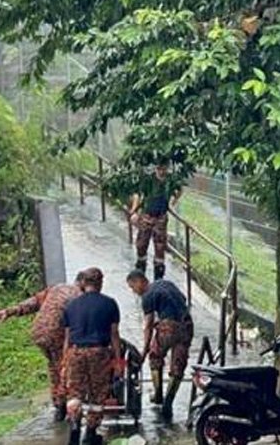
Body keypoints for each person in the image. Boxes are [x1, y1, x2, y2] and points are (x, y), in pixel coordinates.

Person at [0, 272, 84, 422]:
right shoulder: (79, 295)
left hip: (38, 332)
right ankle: (63, 406)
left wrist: (9, 311)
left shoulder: (56, 288)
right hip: (56, 333)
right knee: (64, 367)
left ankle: (58, 404)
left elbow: (34, 302)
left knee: (53, 366)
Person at [62, 267, 123, 445]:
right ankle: (90, 432)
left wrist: (65, 362)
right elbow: (114, 335)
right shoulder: (110, 303)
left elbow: (67, 337)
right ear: (100, 283)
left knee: (75, 393)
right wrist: (118, 361)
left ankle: (74, 425)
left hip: (75, 352)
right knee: (97, 395)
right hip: (99, 352)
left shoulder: (71, 305)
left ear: (83, 283)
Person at [126, 269, 193, 419]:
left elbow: (148, 325)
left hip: (168, 327)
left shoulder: (147, 296)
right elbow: (182, 299)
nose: (134, 291)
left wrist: (144, 351)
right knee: (178, 365)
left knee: (155, 357)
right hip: (187, 324)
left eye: (133, 287)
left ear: (140, 281)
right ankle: (168, 402)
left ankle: (158, 396)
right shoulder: (165, 283)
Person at [128, 161, 181, 280]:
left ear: (167, 168)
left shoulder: (170, 181)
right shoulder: (148, 180)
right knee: (141, 243)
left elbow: (180, 189)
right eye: (159, 169)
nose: (162, 171)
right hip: (147, 215)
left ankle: (158, 276)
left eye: (164, 169)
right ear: (156, 168)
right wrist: (134, 210)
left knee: (160, 246)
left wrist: (173, 202)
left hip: (161, 217)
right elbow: (138, 194)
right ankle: (140, 270)